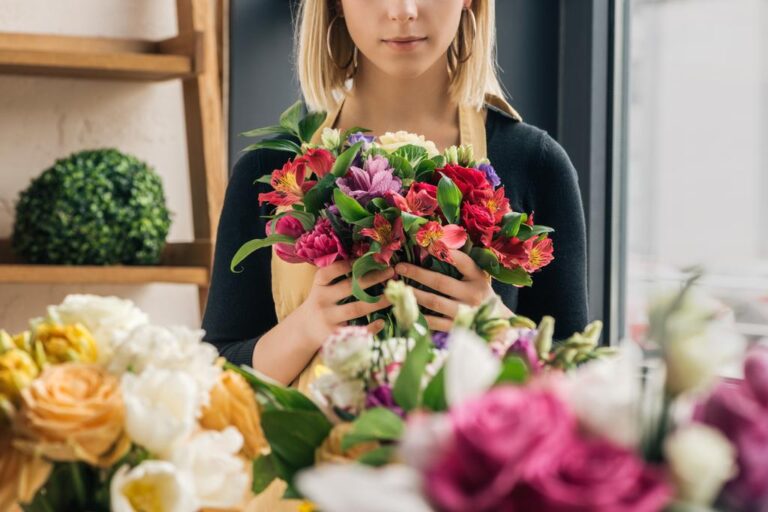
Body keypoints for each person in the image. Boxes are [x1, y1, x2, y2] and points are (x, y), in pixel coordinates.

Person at [202, 0, 588, 388]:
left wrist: (498, 327)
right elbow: (214, 379)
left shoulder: (537, 164)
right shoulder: (269, 170)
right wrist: (305, 328)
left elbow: (580, 389)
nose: (402, 10)